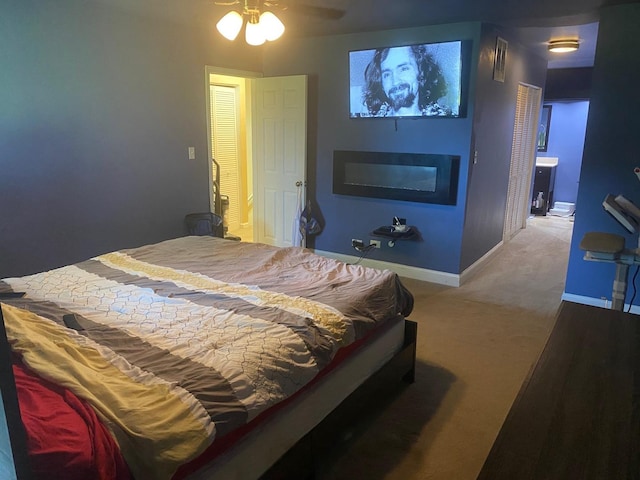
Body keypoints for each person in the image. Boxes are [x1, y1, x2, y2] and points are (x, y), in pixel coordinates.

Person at [361, 44, 450, 117]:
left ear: (421, 71)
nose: (395, 82)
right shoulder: (371, 125)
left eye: (404, 69)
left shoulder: (445, 121)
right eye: (387, 74)